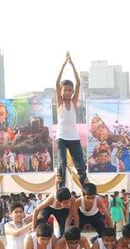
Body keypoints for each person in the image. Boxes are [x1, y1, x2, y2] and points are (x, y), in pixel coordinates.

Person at [55, 52, 87, 187]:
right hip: (62, 137)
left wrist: (72, 64)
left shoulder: (74, 103)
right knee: (62, 162)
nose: (67, 92)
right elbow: (57, 83)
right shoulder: (60, 103)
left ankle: (85, 184)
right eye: (65, 90)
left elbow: (78, 82)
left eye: (70, 90)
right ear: (61, 91)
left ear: (73, 92)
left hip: (73, 137)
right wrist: (63, 65)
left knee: (80, 161)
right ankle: (61, 186)